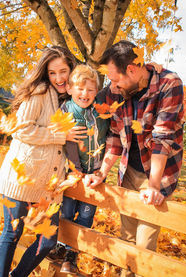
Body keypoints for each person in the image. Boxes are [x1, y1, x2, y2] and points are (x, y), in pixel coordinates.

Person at [84, 40, 184, 276]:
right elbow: (115, 138)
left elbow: (162, 139)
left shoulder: (169, 84)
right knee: (126, 238)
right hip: (129, 171)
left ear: (131, 69)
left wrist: (153, 186)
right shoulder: (116, 91)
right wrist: (102, 172)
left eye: (115, 78)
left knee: (144, 245)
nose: (112, 85)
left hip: (158, 176)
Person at [0, 46, 79, 277]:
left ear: (71, 69)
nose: (59, 78)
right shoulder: (41, 90)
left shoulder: (70, 98)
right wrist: (58, 136)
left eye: (63, 71)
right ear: (46, 73)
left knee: (47, 241)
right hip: (21, 178)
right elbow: (21, 129)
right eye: (53, 73)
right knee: (12, 234)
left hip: (48, 186)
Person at [54, 64, 110, 274]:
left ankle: (72, 254)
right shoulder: (65, 110)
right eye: (80, 88)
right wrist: (76, 170)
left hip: (94, 174)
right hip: (71, 174)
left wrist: (100, 169)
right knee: (67, 211)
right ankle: (61, 247)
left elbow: (108, 136)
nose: (84, 94)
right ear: (69, 88)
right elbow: (66, 144)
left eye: (90, 89)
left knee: (86, 215)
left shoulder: (100, 112)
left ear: (96, 91)